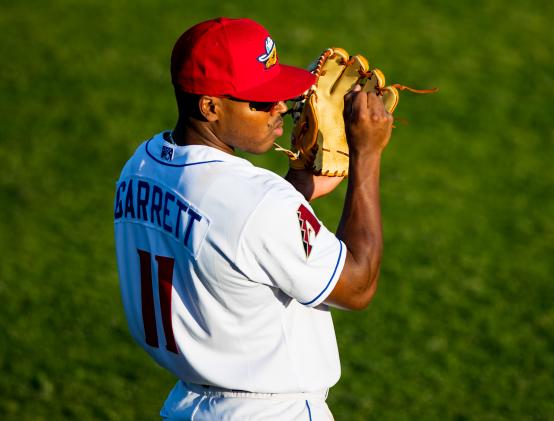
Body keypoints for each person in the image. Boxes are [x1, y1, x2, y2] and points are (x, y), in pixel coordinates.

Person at [114, 17, 392, 420]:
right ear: (209, 106)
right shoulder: (257, 204)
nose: (280, 108)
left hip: (187, 407)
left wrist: (298, 182)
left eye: (279, 92)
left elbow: (230, 240)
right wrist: (367, 154)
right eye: (260, 101)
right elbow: (358, 284)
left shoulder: (140, 168)